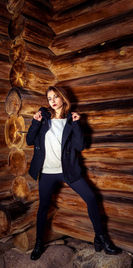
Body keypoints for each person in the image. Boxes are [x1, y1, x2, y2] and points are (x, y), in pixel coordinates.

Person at [26, 86, 121, 260]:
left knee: (91, 198)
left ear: (63, 98)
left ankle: (101, 238)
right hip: (47, 172)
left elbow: (80, 146)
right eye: (49, 98)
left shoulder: (71, 120)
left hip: (67, 170)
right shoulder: (44, 118)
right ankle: (39, 243)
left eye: (55, 97)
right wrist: (35, 122)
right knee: (43, 208)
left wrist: (77, 124)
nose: (52, 101)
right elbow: (29, 140)